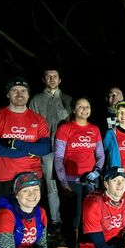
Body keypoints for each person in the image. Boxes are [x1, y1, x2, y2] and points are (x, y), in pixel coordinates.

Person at [54, 97, 104, 248]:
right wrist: (63, 182)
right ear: (73, 110)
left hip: (90, 181)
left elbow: (100, 155)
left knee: (89, 216)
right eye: (80, 106)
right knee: (73, 218)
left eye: (87, 106)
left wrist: (96, 172)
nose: (84, 109)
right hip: (71, 180)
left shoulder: (95, 129)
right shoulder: (65, 129)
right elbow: (59, 157)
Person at [0, 77, 51, 199]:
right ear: (7, 94)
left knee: (30, 217)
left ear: (28, 94)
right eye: (14, 90)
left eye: (23, 90)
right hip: (5, 177)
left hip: (32, 177)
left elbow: (45, 148)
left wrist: (15, 143)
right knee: (4, 216)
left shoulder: (38, 119)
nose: (20, 94)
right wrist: (30, 151)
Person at [28, 68, 73, 232]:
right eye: (49, 76)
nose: (52, 79)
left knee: (68, 185)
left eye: (55, 76)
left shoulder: (69, 100)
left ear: (60, 80)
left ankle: (71, 219)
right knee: (50, 184)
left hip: (67, 150)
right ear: (43, 79)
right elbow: (30, 125)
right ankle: (55, 220)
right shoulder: (36, 100)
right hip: (47, 150)